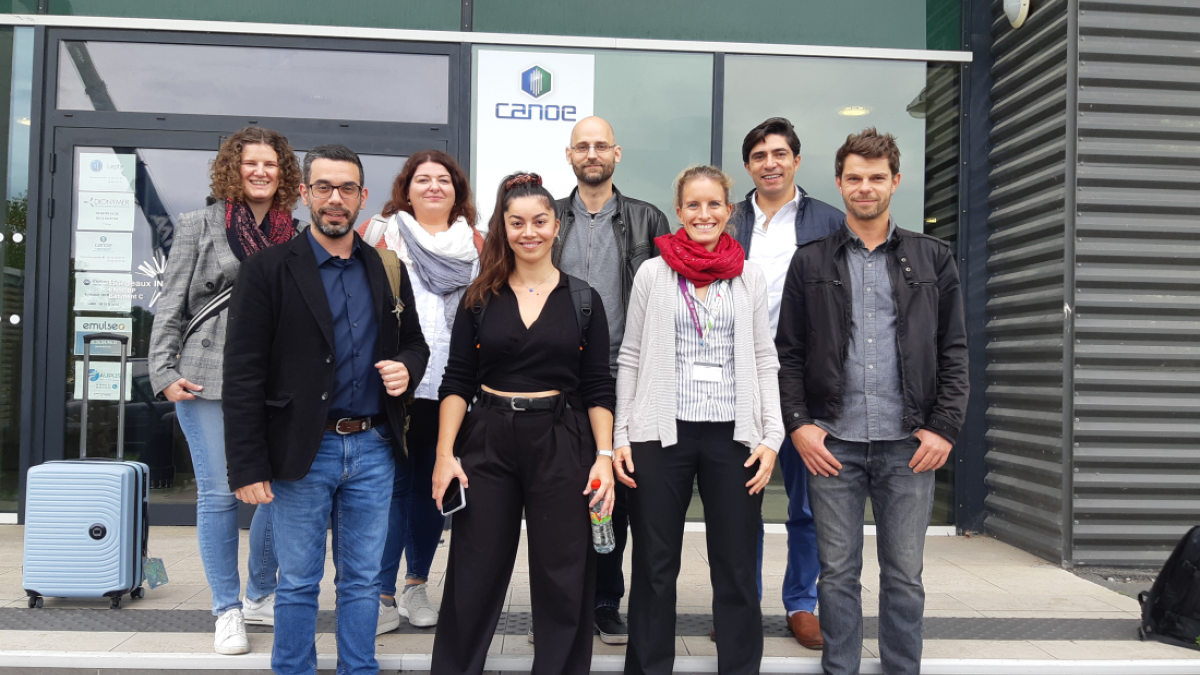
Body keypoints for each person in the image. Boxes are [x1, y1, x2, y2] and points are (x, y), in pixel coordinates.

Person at [223, 144, 429, 675]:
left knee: (362, 580)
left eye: (346, 189)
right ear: (304, 194)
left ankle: (358, 669)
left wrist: (407, 369)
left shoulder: (385, 268)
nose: (335, 200)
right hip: (302, 451)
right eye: (323, 188)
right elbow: (243, 373)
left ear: (362, 198)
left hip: (373, 448)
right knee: (297, 581)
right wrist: (247, 465)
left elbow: (416, 344)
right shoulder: (267, 270)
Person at [776, 128, 968, 675]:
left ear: (896, 182)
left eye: (876, 178)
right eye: (854, 178)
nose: (865, 187)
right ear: (839, 183)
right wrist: (800, 426)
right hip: (832, 442)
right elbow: (787, 353)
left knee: (904, 573)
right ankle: (841, 668)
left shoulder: (934, 258)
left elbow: (954, 351)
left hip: (908, 444)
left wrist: (944, 428)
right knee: (836, 573)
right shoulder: (809, 261)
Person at [431, 172, 616, 675]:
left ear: (557, 225)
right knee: (474, 570)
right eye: (516, 223)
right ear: (503, 227)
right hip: (487, 437)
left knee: (563, 575)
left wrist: (604, 457)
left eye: (539, 221)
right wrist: (446, 454)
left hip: (562, 439)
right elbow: (457, 382)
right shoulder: (479, 298)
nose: (528, 232)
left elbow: (598, 385)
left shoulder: (584, 300)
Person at [614, 165, 783, 675]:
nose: (704, 214)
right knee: (654, 565)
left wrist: (771, 435)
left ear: (729, 212)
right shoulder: (653, 272)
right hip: (660, 435)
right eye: (693, 205)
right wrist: (622, 432)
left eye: (714, 205)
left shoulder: (748, 273)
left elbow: (764, 356)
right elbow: (631, 357)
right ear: (679, 211)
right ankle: (648, 668)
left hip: (735, 438)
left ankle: (738, 667)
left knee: (734, 566)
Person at [148, 126, 300, 655]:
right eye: (250, 163)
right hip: (206, 376)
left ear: (284, 174)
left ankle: (260, 594)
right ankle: (226, 609)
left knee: (277, 494)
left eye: (271, 164)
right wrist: (162, 373)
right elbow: (171, 305)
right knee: (217, 496)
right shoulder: (199, 224)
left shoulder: (296, 234)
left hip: (274, 382)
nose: (260, 172)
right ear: (232, 169)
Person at [553, 115, 670, 643]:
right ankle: (562, 605)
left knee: (616, 498)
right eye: (583, 146)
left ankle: (605, 600)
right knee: (559, 495)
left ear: (617, 154)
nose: (592, 153)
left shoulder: (648, 220)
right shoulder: (551, 217)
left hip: (627, 377)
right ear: (570, 154)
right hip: (558, 380)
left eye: (601, 146)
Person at [357, 151, 482, 634]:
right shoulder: (380, 236)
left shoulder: (478, 244)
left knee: (435, 488)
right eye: (423, 179)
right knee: (387, 491)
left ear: (457, 190)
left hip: (451, 385)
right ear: (406, 188)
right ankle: (381, 593)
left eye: (444, 180)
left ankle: (416, 585)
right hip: (392, 383)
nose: (434, 186)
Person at [732, 117, 843, 649]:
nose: (770, 163)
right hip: (737, 380)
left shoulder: (829, 222)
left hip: (805, 380)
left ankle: (802, 603)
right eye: (759, 156)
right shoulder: (727, 222)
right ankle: (740, 601)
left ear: (796, 161)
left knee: (808, 502)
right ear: (748, 165)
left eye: (779, 154)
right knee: (739, 502)